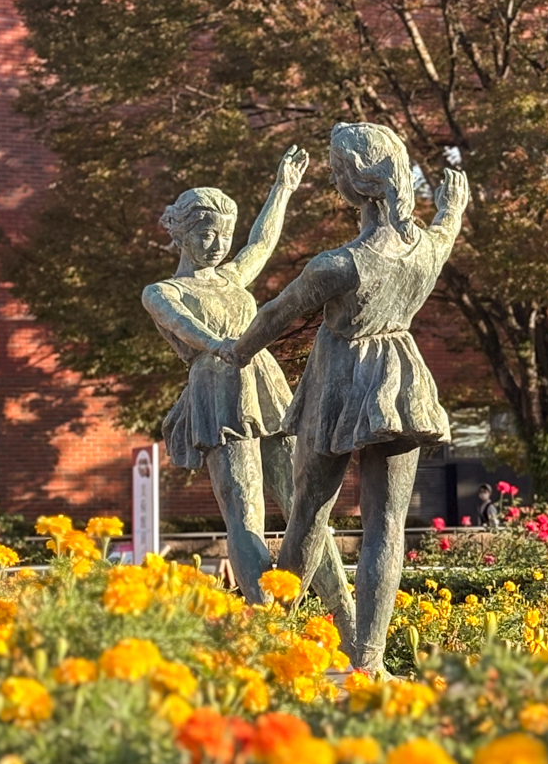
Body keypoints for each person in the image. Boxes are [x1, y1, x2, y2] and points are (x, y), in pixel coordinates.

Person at [222, 123, 468, 672]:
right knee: (387, 525)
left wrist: (235, 354)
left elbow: (275, 315)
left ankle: (275, 635)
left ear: (349, 181)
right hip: (401, 384)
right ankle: (372, 662)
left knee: (309, 513)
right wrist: (451, 207)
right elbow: (445, 230)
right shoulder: (425, 249)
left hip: (339, 385)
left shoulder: (338, 265)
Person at [140, 147, 348, 615]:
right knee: (244, 507)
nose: (217, 243)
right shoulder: (163, 291)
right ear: (183, 234)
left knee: (305, 503)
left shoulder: (234, 278)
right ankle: (268, 622)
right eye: (205, 233)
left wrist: (283, 188)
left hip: (263, 384)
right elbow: (182, 326)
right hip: (218, 390)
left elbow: (262, 243)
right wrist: (221, 346)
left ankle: (346, 617)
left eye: (223, 234)